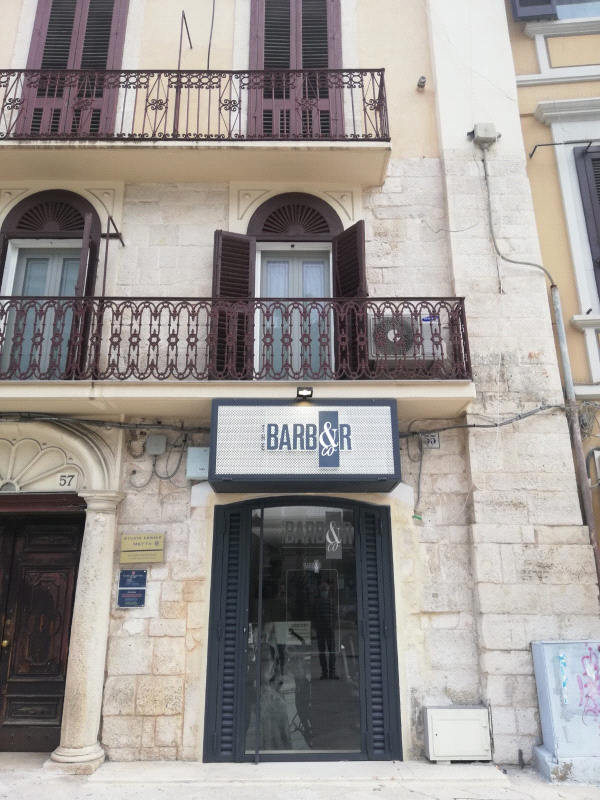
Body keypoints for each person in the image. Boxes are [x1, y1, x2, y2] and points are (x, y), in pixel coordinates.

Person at [312, 581, 339, 680]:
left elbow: (313, 616)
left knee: (322, 651)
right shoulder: (332, 602)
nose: (324, 592)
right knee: (332, 651)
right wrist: (333, 625)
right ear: (328, 591)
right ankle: (332, 672)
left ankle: (324, 672)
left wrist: (315, 627)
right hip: (329, 629)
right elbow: (335, 616)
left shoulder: (316, 602)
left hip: (320, 630)